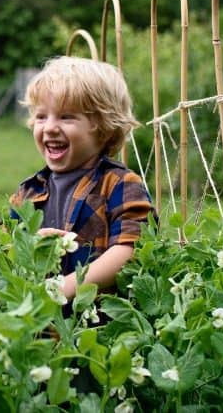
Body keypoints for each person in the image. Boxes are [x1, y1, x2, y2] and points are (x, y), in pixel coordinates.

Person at [10, 56, 154, 306]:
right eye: (42, 117)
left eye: (66, 117)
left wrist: (65, 287)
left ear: (104, 128)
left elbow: (129, 251)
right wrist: (28, 245)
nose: (50, 128)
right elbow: (5, 249)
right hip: (39, 324)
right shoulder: (28, 192)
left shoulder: (120, 185)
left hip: (99, 326)